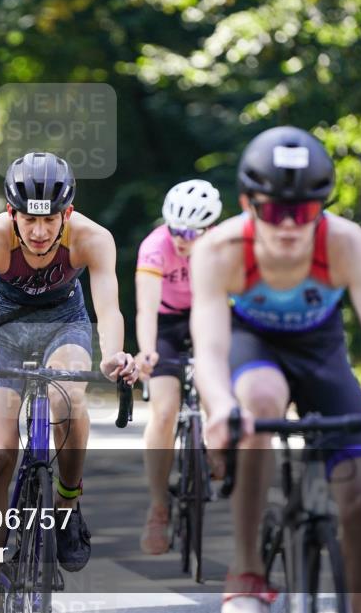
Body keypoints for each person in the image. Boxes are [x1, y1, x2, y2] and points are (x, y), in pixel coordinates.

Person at [189, 127, 361, 613]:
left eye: (304, 212)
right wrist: (222, 407)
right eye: (275, 211)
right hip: (253, 346)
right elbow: (211, 346)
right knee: (260, 400)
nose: (289, 226)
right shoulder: (219, 249)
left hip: (320, 352)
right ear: (249, 204)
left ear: (322, 208)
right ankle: (246, 569)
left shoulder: (346, 242)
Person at [0, 151, 139, 613]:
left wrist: (116, 355)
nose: (39, 233)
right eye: (29, 220)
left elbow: (109, 310)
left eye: (51, 219)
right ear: (11, 213)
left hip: (65, 323)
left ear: (68, 213)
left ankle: (66, 503)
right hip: (4, 331)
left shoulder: (93, 239)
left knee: (69, 394)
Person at [135, 179, 222, 554]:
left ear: (208, 229)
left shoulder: (221, 246)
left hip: (208, 313)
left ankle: (217, 450)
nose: (182, 238)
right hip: (166, 322)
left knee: (217, 389)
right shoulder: (156, 247)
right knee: (165, 409)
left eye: (190, 232)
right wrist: (146, 351)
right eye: (175, 229)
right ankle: (158, 506)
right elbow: (146, 308)